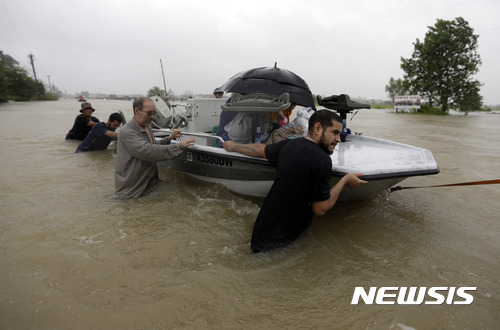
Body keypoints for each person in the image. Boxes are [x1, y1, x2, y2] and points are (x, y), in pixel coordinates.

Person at [223, 109, 367, 253]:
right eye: (335, 133)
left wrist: (234, 146)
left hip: (260, 232)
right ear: (318, 128)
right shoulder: (322, 161)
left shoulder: (290, 145)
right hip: (278, 243)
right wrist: (344, 180)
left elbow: (261, 150)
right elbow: (320, 209)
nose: (339, 139)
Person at [113, 97, 195, 199]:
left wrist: (169, 138)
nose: (152, 117)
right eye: (149, 113)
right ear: (137, 111)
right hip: (132, 192)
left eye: (154, 113)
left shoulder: (147, 127)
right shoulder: (127, 132)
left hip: (150, 183)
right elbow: (149, 152)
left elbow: (154, 146)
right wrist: (179, 147)